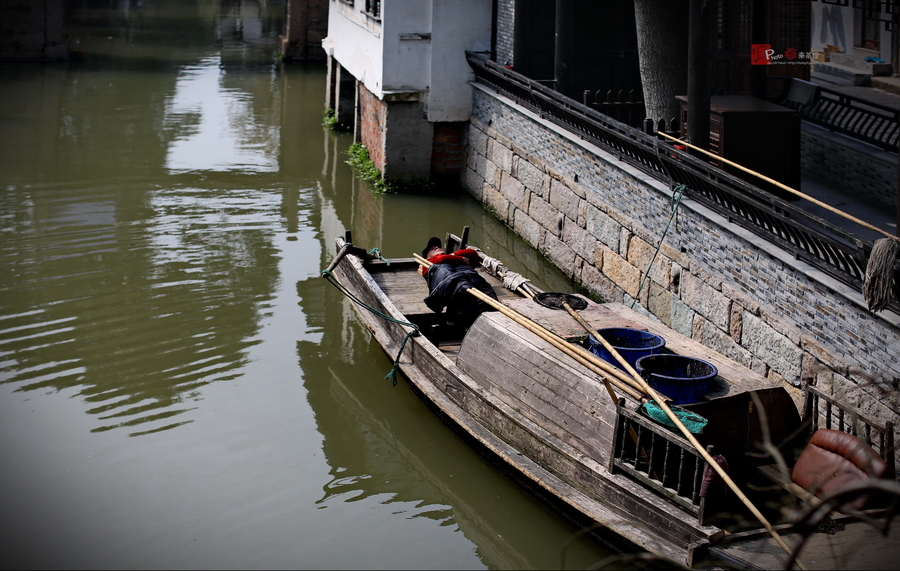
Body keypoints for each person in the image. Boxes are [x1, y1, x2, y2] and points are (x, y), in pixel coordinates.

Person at [419, 237, 497, 331]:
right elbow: (440, 258)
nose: (437, 247)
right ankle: (469, 328)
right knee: (468, 298)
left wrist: (454, 255)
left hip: (474, 279)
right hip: (456, 285)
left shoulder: (455, 258)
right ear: (427, 256)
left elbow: (473, 253)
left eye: (438, 246)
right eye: (432, 248)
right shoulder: (428, 264)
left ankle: (488, 326)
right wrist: (461, 259)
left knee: (490, 299)